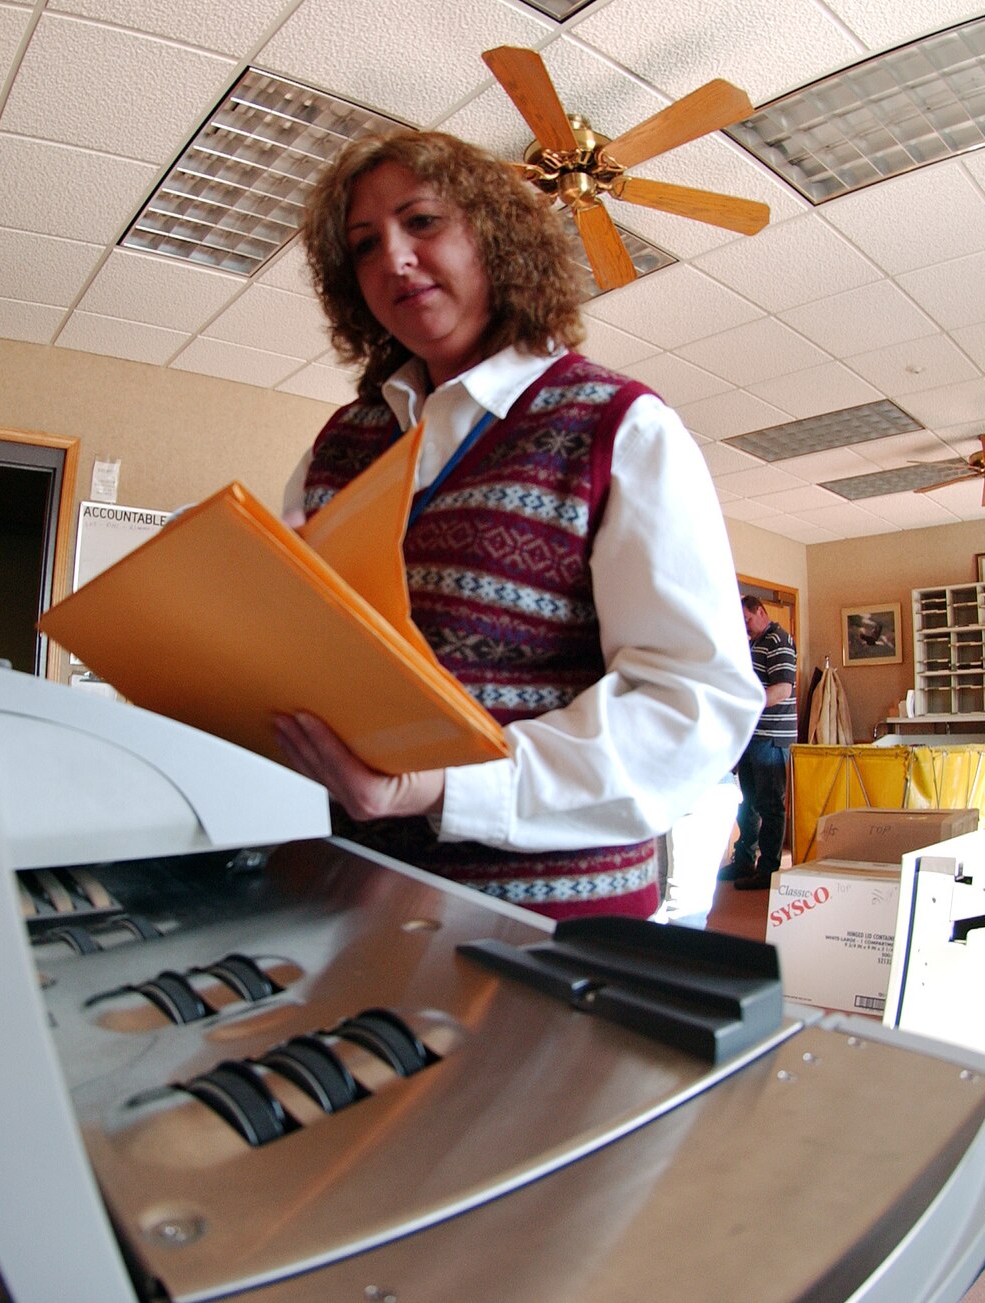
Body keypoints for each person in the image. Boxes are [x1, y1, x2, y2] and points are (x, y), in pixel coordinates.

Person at [270, 128, 763, 921]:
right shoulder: (341, 443)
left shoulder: (619, 428)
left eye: (421, 222)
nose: (392, 257)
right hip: (345, 901)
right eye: (364, 245)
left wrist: (448, 788)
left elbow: (688, 707)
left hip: (542, 932)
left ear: (497, 240)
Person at [719, 596, 797, 890]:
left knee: (770, 804)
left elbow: (782, 689)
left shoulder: (779, 640)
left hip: (772, 737)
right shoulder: (751, 643)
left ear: (761, 612)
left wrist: (745, 703)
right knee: (747, 803)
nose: (745, 626)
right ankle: (744, 861)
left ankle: (768, 869)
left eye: (747, 620)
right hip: (750, 736)